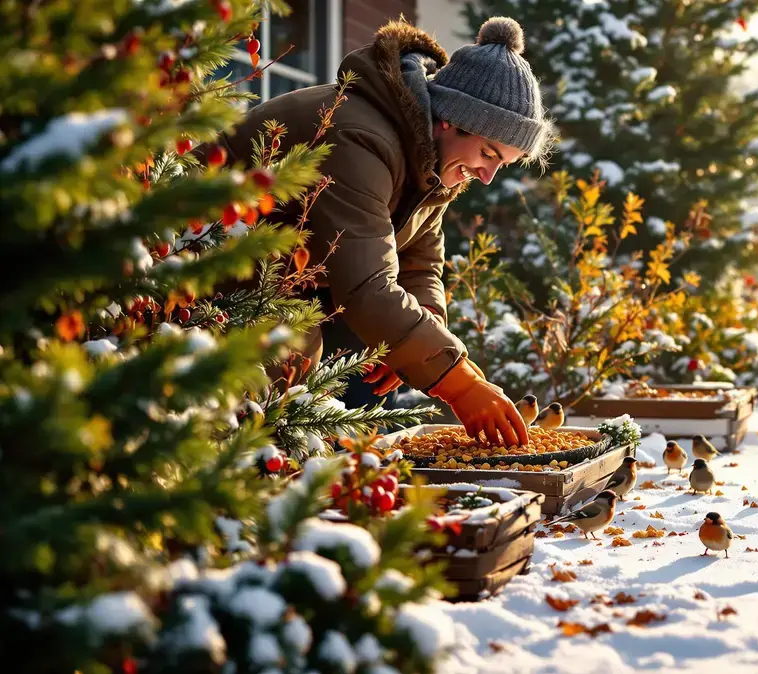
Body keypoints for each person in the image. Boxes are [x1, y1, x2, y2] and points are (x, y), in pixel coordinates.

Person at [206, 15, 552, 447]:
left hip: (272, 284)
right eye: (488, 153)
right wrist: (459, 384)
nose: (487, 177)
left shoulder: (432, 163)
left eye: (504, 162)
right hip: (202, 267)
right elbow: (368, 286)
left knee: (290, 389)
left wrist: (415, 348)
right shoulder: (362, 137)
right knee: (267, 400)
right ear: (450, 118)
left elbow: (418, 264)